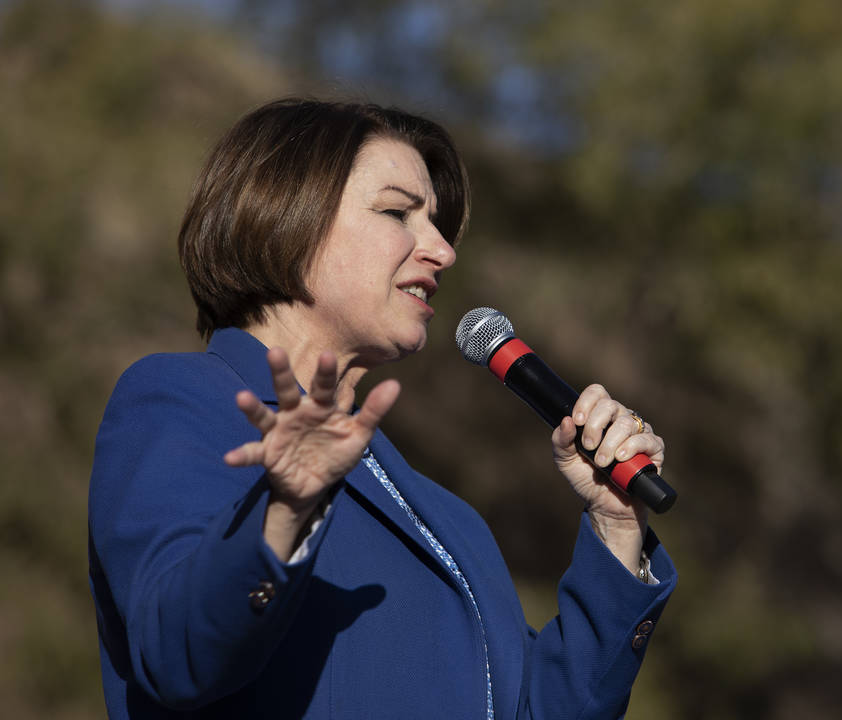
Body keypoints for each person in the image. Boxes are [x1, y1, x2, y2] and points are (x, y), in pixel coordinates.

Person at [88, 97, 677, 719]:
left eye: (440, 226)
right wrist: (285, 511)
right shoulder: (179, 400)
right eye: (398, 212)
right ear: (287, 218)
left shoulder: (452, 522)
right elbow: (177, 652)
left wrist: (617, 530)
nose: (442, 251)